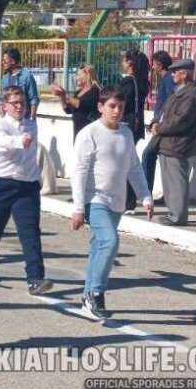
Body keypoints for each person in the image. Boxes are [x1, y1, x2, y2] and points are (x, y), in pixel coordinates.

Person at [71, 87, 154, 321]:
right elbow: (78, 172)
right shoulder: (89, 134)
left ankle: (87, 297)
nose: (117, 111)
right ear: (100, 107)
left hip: (116, 201)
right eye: (111, 106)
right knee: (110, 241)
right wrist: (78, 207)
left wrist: (145, 196)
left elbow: (134, 168)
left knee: (99, 248)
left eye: (121, 107)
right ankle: (96, 293)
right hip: (94, 199)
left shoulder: (126, 134)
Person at [0, 85, 53, 295]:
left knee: (30, 232)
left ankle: (35, 277)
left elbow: (29, 149)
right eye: (15, 103)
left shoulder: (31, 125)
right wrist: (20, 141)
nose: (19, 107)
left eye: (22, 103)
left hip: (27, 186)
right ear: (4, 106)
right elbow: (3, 143)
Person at [151, 58, 196, 226]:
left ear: (184, 74)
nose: (172, 74)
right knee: (169, 181)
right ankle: (173, 213)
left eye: (176, 72)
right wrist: (154, 122)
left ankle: (178, 216)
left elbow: (180, 120)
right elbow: (164, 112)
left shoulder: (190, 94)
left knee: (177, 181)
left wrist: (159, 128)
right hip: (168, 142)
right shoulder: (178, 91)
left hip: (178, 144)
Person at [119, 50, 150, 212]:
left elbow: (121, 103)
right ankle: (128, 200)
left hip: (126, 125)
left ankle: (128, 200)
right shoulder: (141, 81)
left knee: (124, 165)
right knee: (129, 163)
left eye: (124, 60)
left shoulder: (129, 83)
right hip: (135, 126)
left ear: (130, 63)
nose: (122, 64)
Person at [142, 50, 176, 197]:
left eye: (154, 64)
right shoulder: (165, 78)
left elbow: (170, 101)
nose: (152, 67)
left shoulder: (168, 79)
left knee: (148, 154)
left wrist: (158, 121)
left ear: (160, 65)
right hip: (160, 122)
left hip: (163, 125)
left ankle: (145, 192)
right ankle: (165, 195)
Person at [50, 64, 100, 141]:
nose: (76, 78)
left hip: (90, 135)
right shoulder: (78, 92)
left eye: (79, 75)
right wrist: (61, 96)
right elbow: (68, 109)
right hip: (78, 134)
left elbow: (81, 104)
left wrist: (65, 95)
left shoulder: (95, 91)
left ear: (88, 74)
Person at [0, 48, 39, 123]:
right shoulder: (5, 78)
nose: (2, 63)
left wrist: (31, 118)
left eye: (5, 61)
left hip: (25, 120)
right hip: (9, 121)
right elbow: (1, 100)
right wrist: (3, 117)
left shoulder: (27, 77)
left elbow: (34, 99)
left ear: (13, 61)